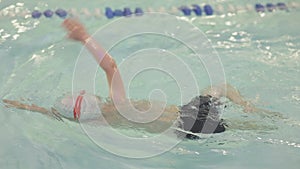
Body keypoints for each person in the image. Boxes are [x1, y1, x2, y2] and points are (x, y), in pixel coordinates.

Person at [2, 18, 282, 138]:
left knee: (233, 119)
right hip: (188, 116)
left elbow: (52, 114)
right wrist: (85, 37)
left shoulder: (97, 123)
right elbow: (110, 65)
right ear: (91, 100)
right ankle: (252, 109)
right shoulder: (116, 102)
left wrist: (17, 104)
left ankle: (253, 116)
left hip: (182, 132)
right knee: (223, 89)